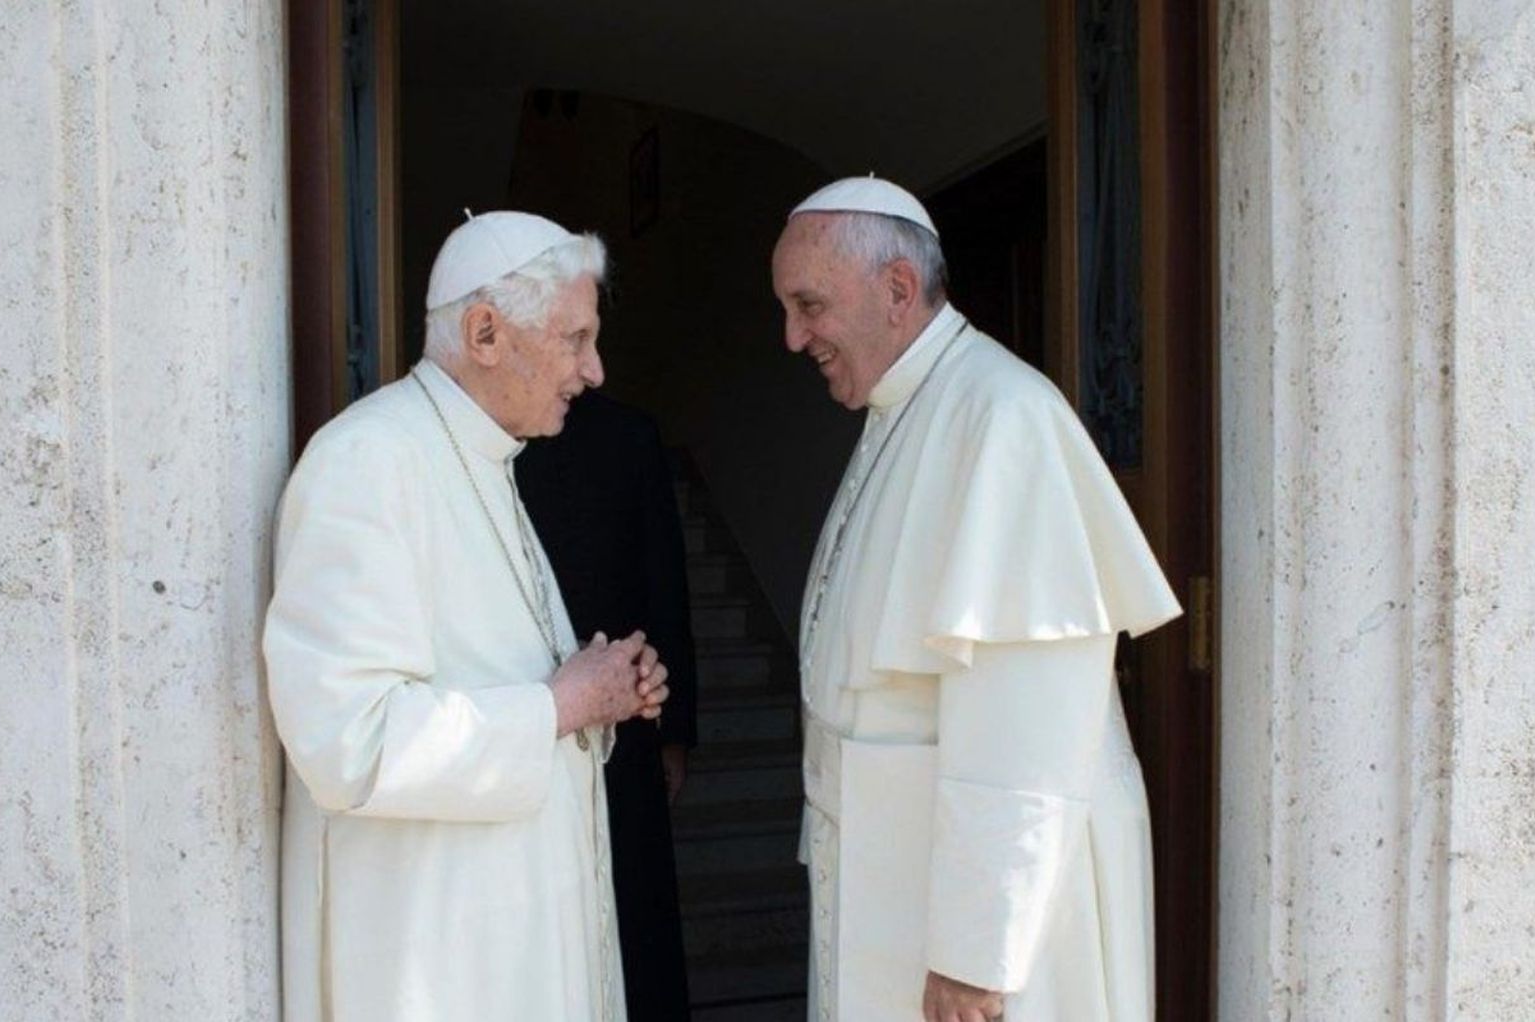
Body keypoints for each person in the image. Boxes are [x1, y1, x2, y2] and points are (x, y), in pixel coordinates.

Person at [770, 177, 1182, 1022]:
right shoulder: (908, 408)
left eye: (808, 305)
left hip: (985, 928)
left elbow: (1027, 720)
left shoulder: (1003, 416)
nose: (793, 335)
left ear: (896, 290)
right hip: (896, 880)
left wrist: (975, 954)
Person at [263, 210, 669, 1022]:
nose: (593, 371)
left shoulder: (487, 461)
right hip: (436, 958)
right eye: (574, 339)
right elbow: (349, 740)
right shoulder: (366, 462)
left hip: (508, 939)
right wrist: (562, 705)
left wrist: (606, 692)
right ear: (486, 333)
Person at [517, 389, 699, 1021]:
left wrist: (673, 729)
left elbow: (663, 582)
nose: (589, 364)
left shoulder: (629, 434)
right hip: (519, 727)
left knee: (636, 912)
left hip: (628, 716)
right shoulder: (480, 444)